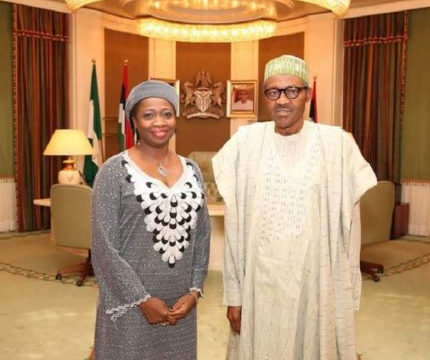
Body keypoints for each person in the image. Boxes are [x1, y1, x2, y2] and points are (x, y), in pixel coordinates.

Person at [212, 55, 377, 360]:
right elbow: (234, 227)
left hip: (315, 282)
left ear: (307, 95)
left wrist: (346, 286)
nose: (282, 101)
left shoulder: (336, 144)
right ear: (265, 96)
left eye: (292, 91)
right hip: (260, 285)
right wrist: (234, 294)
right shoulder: (245, 143)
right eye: (273, 92)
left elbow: (351, 226)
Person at [91, 80, 211, 360]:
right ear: (134, 120)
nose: (159, 122)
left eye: (167, 114)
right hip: (130, 304)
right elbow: (104, 247)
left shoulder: (191, 169)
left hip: (180, 306)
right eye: (148, 115)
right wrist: (141, 300)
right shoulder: (113, 171)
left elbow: (202, 235)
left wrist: (194, 291)